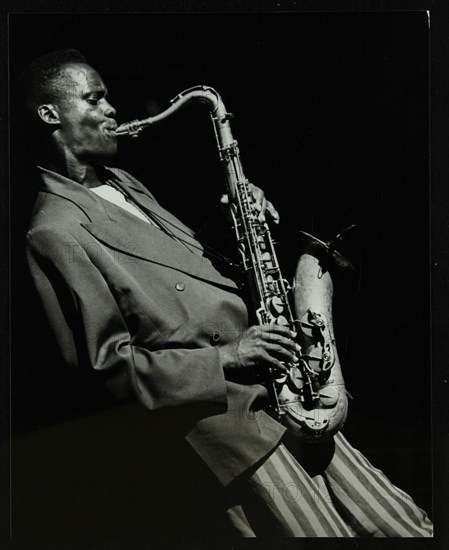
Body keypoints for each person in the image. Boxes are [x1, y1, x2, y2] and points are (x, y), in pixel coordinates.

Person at [21, 48, 432, 537]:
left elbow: (175, 272)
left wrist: (232, 215)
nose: (111, 109)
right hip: (226, 425)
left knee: (406, 527)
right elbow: (106, 370)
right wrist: (230, 356)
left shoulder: (123, 183)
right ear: (51, 114)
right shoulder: (54, 231)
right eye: (95, 99)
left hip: (281, 388)